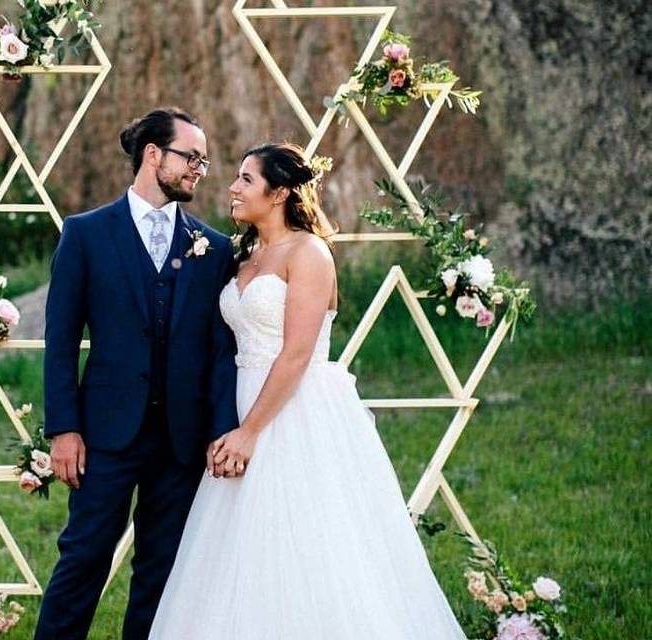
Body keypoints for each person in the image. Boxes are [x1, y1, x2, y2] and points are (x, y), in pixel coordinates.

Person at [148, 143, 468, 639]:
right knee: (243, 545)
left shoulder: (310, 253)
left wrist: (250, 432)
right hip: (243, 403)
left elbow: (296, 353)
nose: (232, 187)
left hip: (294, 411)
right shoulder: (247, 256)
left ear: (277, 194)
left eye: (245, 180)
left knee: (310, 539)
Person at [34, 107, 239, 640]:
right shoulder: (84, 234)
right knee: (83, 559)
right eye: (190, 157)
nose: (199, 168)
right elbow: (60, 342)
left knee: (163, 571)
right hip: (104, 434)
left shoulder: (213, 248)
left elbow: (220, 353)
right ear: (153, 155)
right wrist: (63, 429)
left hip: (181, 441)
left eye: (204, 160)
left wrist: (219, 432)